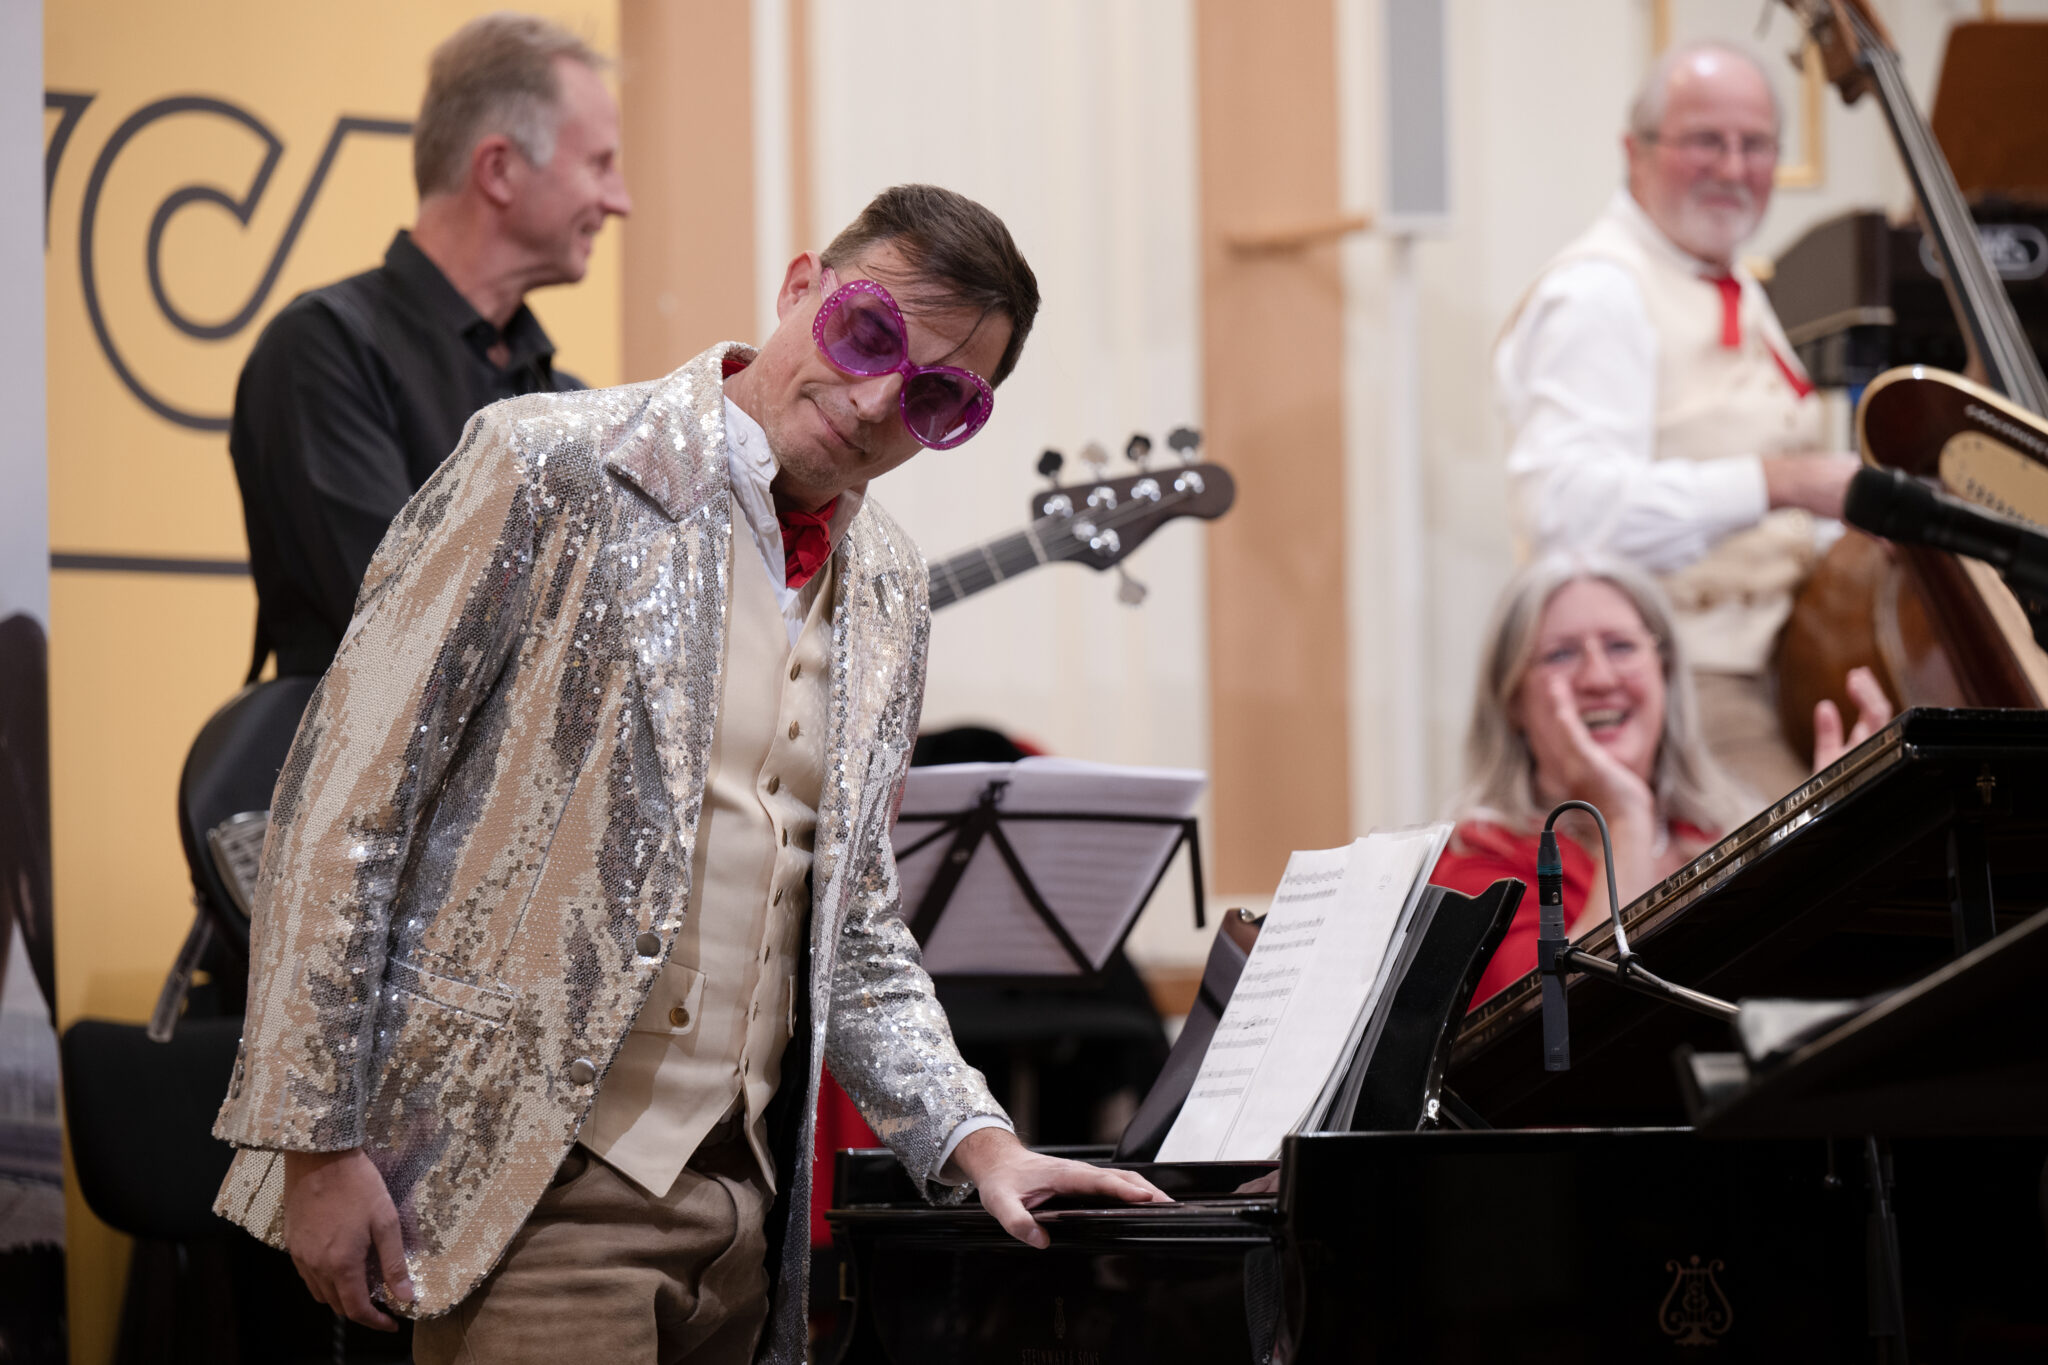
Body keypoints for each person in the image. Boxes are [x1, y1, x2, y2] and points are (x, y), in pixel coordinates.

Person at [212, 183, 1167, 1365]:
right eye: (866, 335)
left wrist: (979, 1143)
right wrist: (314, 1140)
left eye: (935, 397)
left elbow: (854, 929)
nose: (877, 400)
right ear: (800, 287)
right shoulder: (542, 464)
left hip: (749, 1213)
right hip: (525, 1195)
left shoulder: (889, 586)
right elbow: (343, 808)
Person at [1497, 39, 1860, 802]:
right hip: (1683, 680)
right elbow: (1569, 514)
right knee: (1831, 858)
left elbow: (1782, 521)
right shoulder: (1599, 292)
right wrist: (1779, 481)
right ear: (1635, 151)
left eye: (1755, 144)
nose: (1733, 167)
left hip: (1795, 660)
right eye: (1705, 141)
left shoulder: (1727, 281)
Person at [229, 12, 631, 680]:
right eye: (599, 164)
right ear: (498, 170)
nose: (620, 201)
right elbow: (399, 626)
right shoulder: (323, 350)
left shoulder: (570, 404)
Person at [1430, 555, 1891, 1007]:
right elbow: (1558, 1026)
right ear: (1512, 700)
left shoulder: (1729, 831)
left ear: (1665, 672)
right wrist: (1625, 817)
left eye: (1621, 646)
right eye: (1561, 654)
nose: (1599, 677)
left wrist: (1828, 842)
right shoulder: (1473, 867)